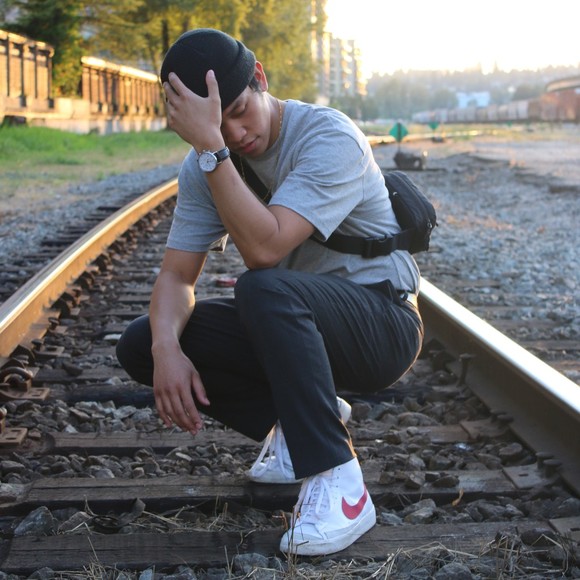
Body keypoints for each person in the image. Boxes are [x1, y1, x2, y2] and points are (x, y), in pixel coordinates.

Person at [116, 28, 423, 556]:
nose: (235, 134)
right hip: (301, 330)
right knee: (143, 341)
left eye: (239, 111)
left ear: (259, 78)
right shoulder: (205, 162)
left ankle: (341, 483)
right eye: (216, 126)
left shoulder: (328, 136)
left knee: (260, 287)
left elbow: (265, 248)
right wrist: (166, 350)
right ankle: (302, 419)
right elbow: (176, 278)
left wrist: (211, 148)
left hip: (382, 321)